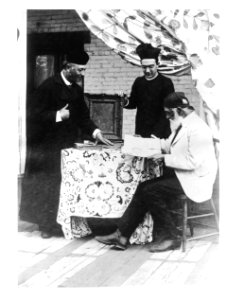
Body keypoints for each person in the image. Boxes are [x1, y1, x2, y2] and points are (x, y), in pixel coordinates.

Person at [95, 92, 217, 252]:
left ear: (178, 110)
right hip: (184, 176)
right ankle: (122, 235)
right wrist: (142, 144)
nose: (166, 117)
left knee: (151, 190)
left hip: (196, 180)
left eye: (168, 113)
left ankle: (171, 236)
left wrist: (164, 158)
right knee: (143, 187)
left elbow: (192, 162)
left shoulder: (198, 129)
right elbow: (168, 145)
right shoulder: (183, 123)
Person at [19, 50, 113, 238]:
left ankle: (62, 223)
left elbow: (84, 117)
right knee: (48, 184)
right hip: (47, 146)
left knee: (64, 184)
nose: (82, 73)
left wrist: (96, 132)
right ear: (69, 67)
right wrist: (57, 115)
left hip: (68, 145)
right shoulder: (48, 86)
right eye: (80, 69)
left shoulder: (76, 90)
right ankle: (46, 226)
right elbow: (32, 115)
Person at [121, 43, 175, 138]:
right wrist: (125, 101)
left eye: (151, 67)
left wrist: (155, 135)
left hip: (161, 134)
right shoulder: (138, 82)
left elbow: (168, 111)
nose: (147, 71)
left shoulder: (166, 83)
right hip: (141, 132)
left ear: (157, 65)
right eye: (144, 67)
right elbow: (133, 104)